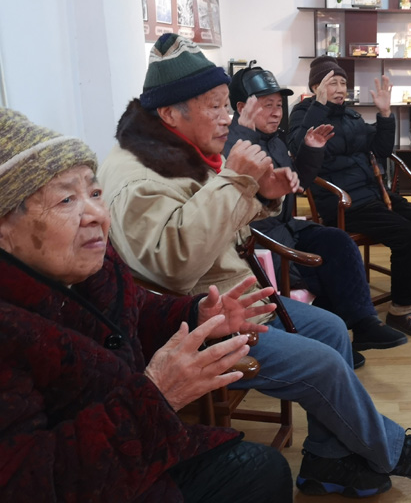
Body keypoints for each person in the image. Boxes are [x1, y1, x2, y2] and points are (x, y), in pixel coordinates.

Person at [98, 34, 411, 497]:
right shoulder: (140, 175)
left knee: (331, 328)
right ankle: (391, 450)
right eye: (215, 106)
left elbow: (218, 225)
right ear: (169, 113)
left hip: (233, 295)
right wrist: (237, 181)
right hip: (194, 321)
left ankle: (327, 461)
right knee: (324, 364)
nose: (227, 117)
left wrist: (261, 193)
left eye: (227, 104)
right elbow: (175, 266)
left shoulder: (181, 151)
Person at [0, 108, 293, 503]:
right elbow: (28, 483)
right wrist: (155, 396)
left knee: (265, 468)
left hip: (136, 440)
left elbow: (129, 313)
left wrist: (195, 313)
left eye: (95, 193)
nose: (97, 215)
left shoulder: (93, 265)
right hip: (108, 467)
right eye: (67, 199)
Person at [224, 65, 408, 368]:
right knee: (319, 266)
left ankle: (363, 324)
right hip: (259, 240)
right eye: (267, 105)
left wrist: (311, 150)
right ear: (242, 108)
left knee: (337, 241)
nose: (276, 112)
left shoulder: (273, 139)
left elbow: (298, 184)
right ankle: (330, 342)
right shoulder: (234, 146)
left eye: (278, 104)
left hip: (286, 227)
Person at [288, 55, 411, 338]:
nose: (340, 89)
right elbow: (298, 147)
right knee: (407, 235)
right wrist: (318, 106)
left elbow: (380, 150)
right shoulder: (304, 113)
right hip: (343, 202)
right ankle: (401, 308)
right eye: (333, 83)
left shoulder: (350, 115)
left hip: (375, 193)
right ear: (316, 87)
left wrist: (385, 114)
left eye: (343, 82)